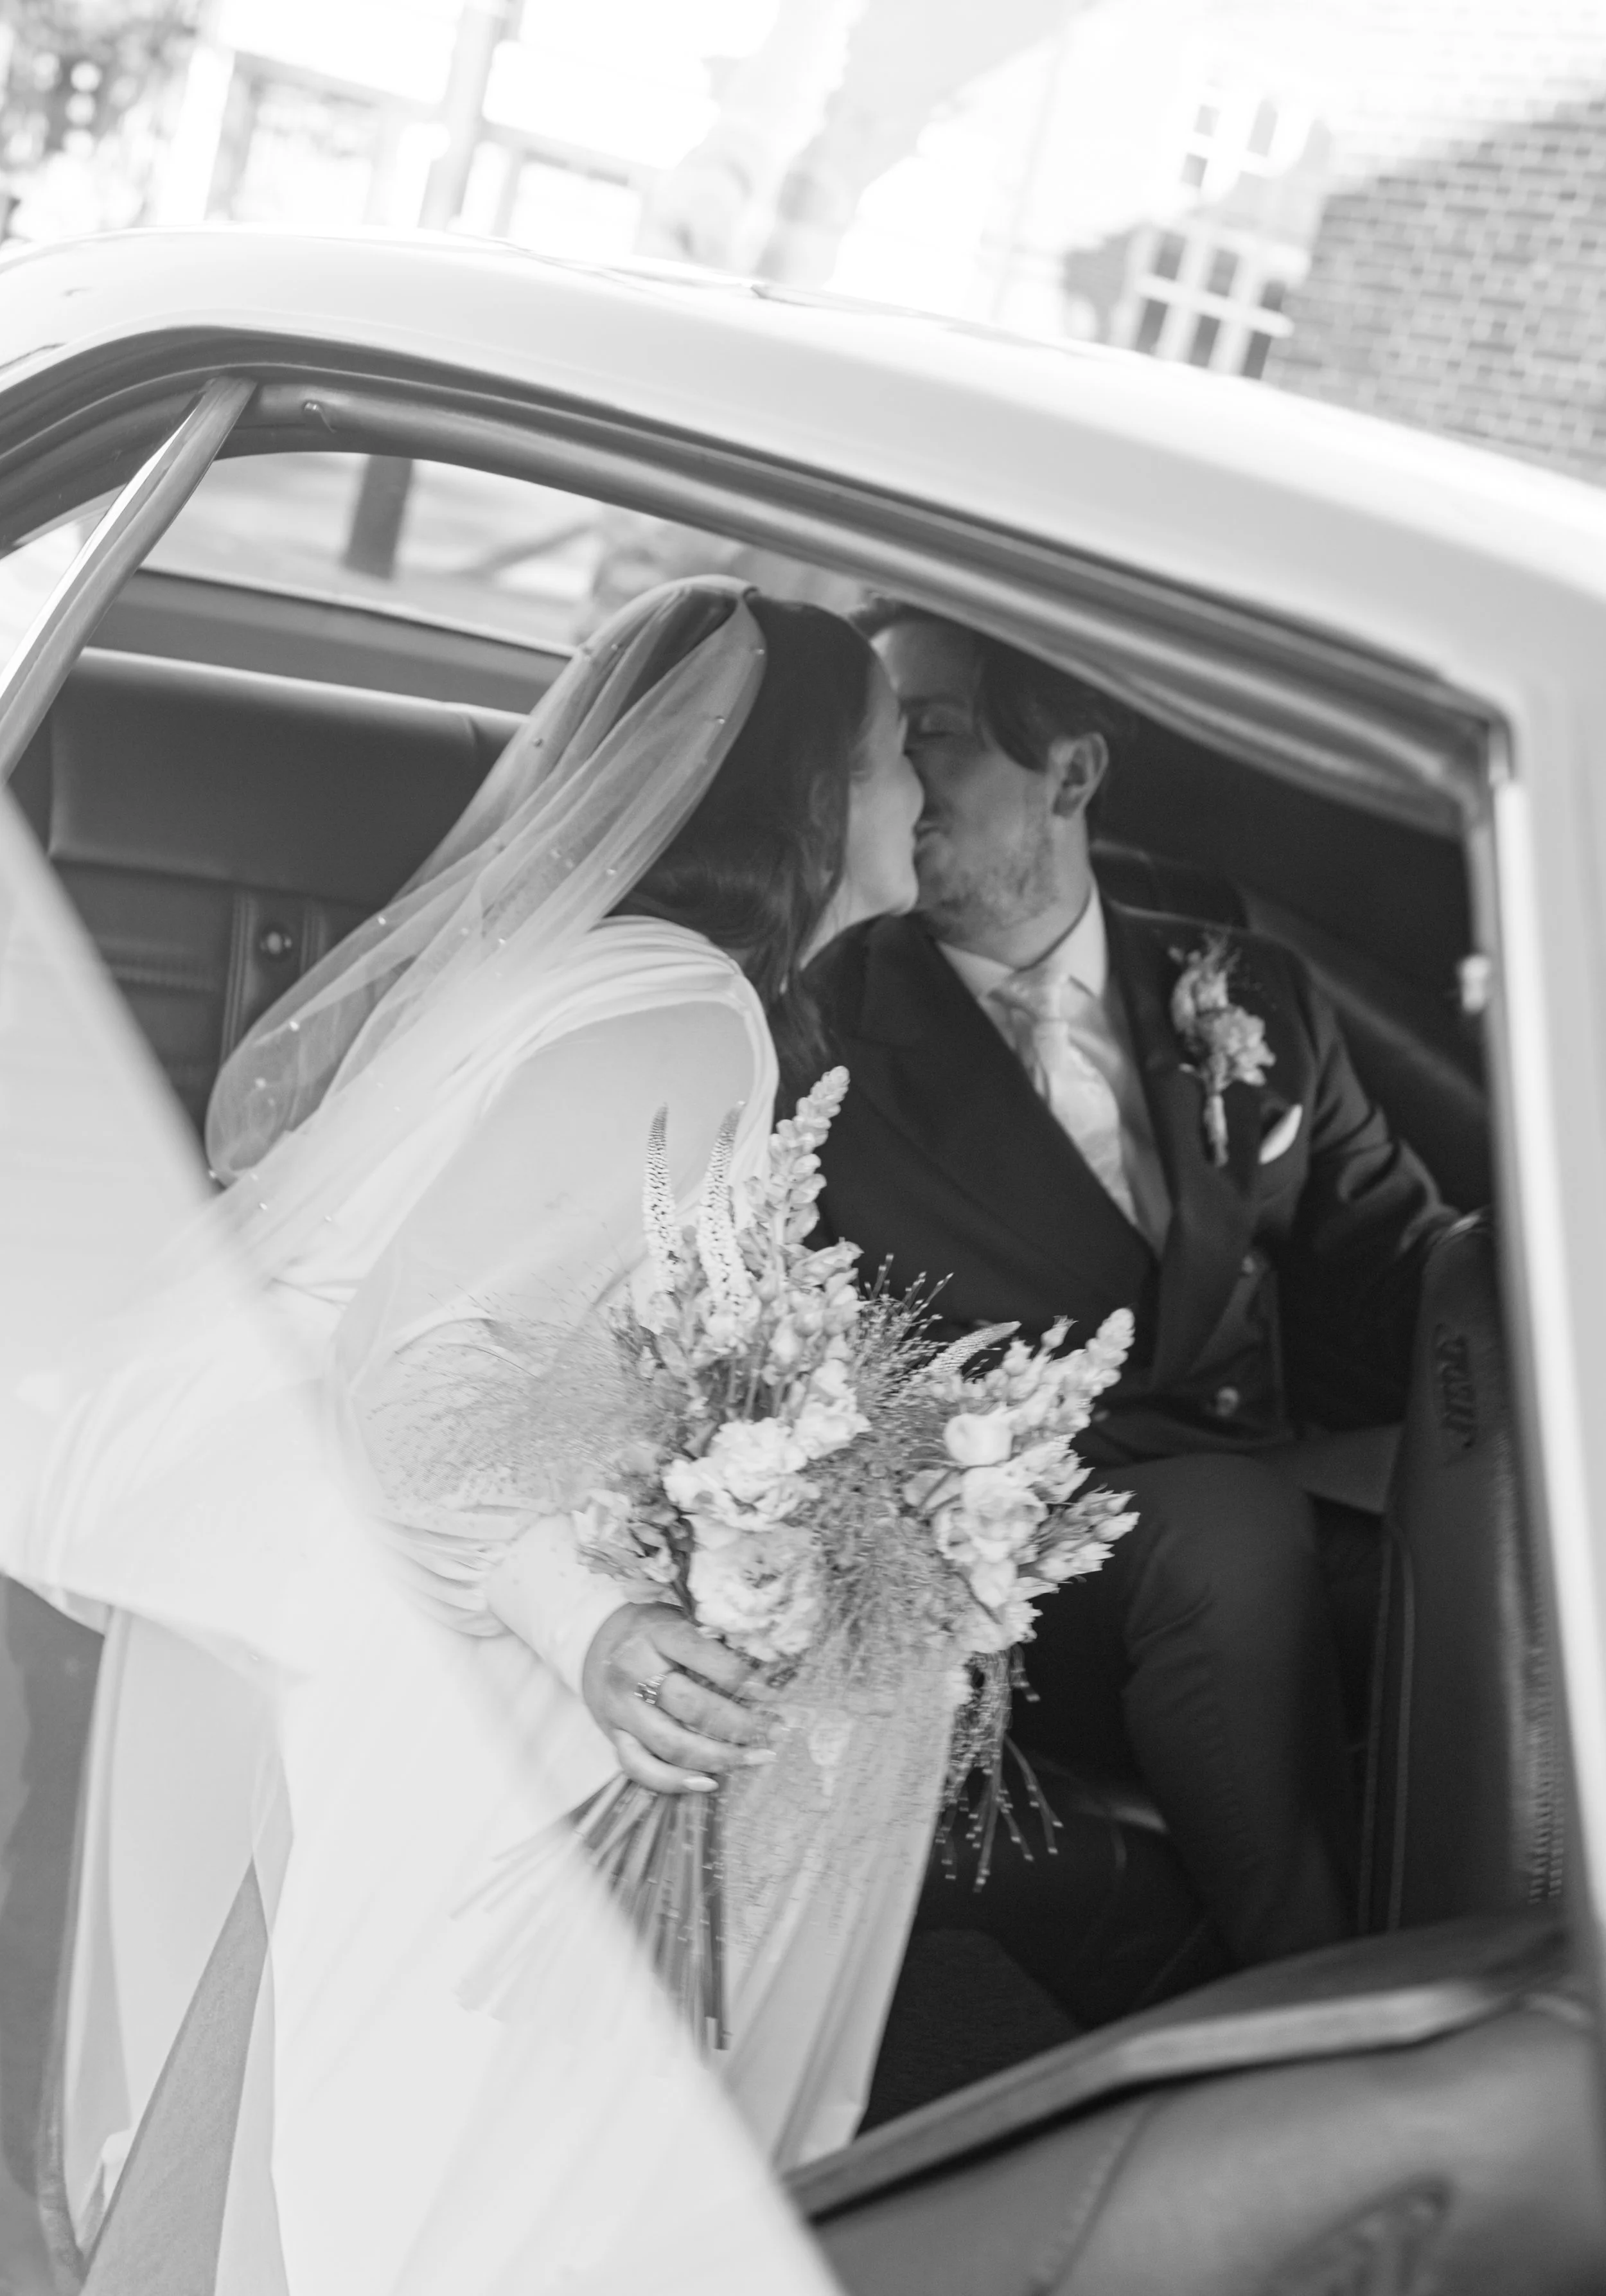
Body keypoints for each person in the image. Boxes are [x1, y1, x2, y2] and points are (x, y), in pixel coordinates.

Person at [1, 576, 926, 2286]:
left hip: (306, 1436)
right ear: (808, 797)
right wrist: (591, 1623)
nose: (922, 793)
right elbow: (423, 1371)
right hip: (307, 1474)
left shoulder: (645, 979)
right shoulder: (676, 1006)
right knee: (621, 1734)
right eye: (893, 755)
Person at [808, 601, 1460, 1977]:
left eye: (928, 735)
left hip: (1268, 1494)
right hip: (1016, 1574)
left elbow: (1411, 1271)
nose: (890, 782)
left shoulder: (1244, 992)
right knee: (1225, 1532)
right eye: (878, 743)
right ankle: (1309, 1998)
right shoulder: (818, 1023)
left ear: (1073, 773)